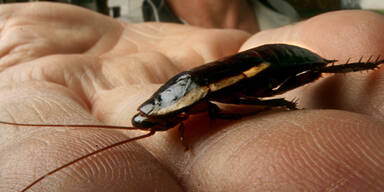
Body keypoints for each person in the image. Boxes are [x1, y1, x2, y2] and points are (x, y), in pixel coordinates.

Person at [0, 2, 383, 191]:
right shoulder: (189, 98)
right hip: (233, 71)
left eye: (158, 118)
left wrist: (272, 104)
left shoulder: (198, 98)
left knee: (312, 71)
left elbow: (216, 104)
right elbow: (209, 105)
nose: (157, 122)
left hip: (269, 61)